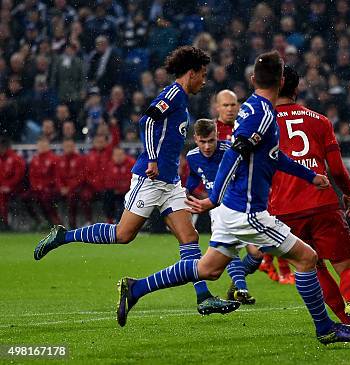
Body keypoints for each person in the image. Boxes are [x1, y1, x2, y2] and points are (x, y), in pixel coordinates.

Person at [115, 51, 350, 344]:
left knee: (207, 269)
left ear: (252, 80)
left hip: (233, 210)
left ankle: (135, 289)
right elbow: (235, 152)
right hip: (247, 211)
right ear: (282, 80)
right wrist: (213, 197)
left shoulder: (253, 108)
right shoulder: (261, 114)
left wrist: (310, 176)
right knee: (307, 257)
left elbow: (273, 156)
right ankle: (326, 329)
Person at [34, 46, 239, 316]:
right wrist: (153, 158)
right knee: (123, 234)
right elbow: (148, 122)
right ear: (191, 73)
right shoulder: (174, 94)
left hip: (170, 183)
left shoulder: (182, 98)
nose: (204, 80)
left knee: (189, 236)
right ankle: (64, 236)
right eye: (202, 74)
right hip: (150, 178)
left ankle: (203, 297)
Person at [268, 65, 350, 335]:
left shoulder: (262, 122)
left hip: (284, 209)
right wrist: (349, 194)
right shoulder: (318, 120)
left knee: (313, 266)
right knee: (348, 267)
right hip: (322, 203)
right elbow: (337, 168)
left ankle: (347, 321)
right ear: (296, 89)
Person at [185, 118, 262, 304]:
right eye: (202, 141)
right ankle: (241, 289)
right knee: (232, 251)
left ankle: (238, 281)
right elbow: (195, 176)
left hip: (241, 205)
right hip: (218, 210)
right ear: (195, 138)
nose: (207, 146)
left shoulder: (230, 151)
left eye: (211, 140)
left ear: (217, 136)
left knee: (257, 254)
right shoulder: (192, 156)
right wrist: (185, 193)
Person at [26, 138, 62, 227]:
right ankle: (39, 221)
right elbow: (32, 176)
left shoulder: (54, 159)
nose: (41, 147)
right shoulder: (34, 159)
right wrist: (36, 186)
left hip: (51, 189)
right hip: (37, 189)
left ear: (48, 146)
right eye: (40, 145)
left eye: (44, 145)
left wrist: (45, 186)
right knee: (25, 198)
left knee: (46, 198)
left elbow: (57, 176)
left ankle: (55, 222)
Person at [56, 139, 86, 228]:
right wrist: (61, 187)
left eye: (70, 146)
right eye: (66, 146)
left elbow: (81, 177)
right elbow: (57, 177)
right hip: (62, 189)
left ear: (74, 147)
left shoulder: (80, 159)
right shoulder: (60, 160)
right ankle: (56, 223)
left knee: (74, 197)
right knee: (46, 196)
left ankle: (73, 223)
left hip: (75, 189)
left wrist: (69, 188)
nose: (68, 148)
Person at [0, 137, 26, 231]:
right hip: (3, 189)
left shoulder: (16, 159)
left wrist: (9, 186)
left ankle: (5, 223)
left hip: (15, 189)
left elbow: (19, 176)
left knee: (3, 197)